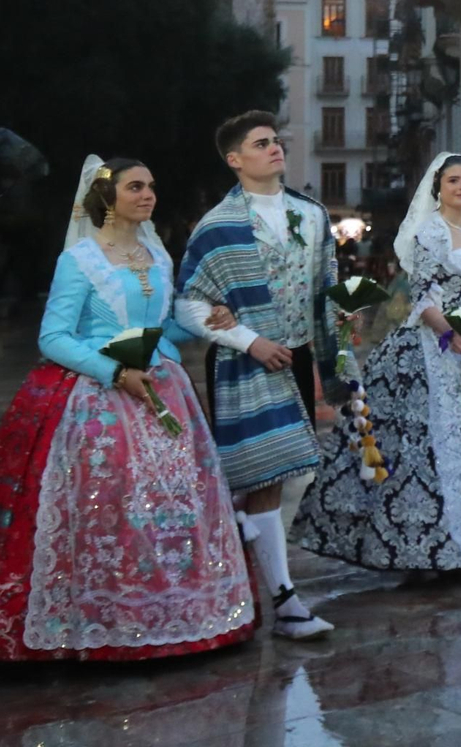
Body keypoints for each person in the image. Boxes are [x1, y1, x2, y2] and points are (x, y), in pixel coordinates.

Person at [0, 157, 257, 661]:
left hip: (163, 389)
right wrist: (114, 372)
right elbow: (53, 337)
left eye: (151, 185)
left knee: (171, 508)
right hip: (100, 401)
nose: (148, 194)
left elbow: (161, 329)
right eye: (136, 186)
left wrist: (209, 321)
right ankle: (105, 621)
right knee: (112, 506)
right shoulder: (81, 260)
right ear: (107, 198)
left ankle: (178, 614)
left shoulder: (156, 254)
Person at [293, 154, 461, 570]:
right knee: (430, 443)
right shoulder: (430, 233)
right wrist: (450, 333)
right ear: (438, 187)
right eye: (453, 180)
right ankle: (434, 542)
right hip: (437, 344)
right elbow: (424, 298)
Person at [178, 111, 347, 640]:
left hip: (295, 353)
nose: (275, 149)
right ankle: (283, 601)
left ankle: (255, 576)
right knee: (262, 478)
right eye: (260, 143)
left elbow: (326, 289)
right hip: (245, 359)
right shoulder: (215, 226)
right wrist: (248, 340)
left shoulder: (312, 213)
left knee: (277, 476)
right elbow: (187, 303)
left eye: (276, 140)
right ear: (235, 160)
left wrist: (341, 336)